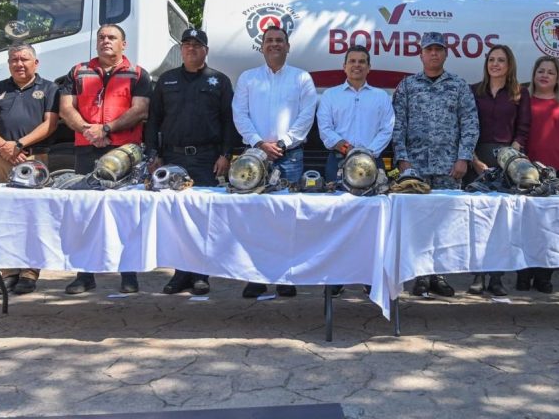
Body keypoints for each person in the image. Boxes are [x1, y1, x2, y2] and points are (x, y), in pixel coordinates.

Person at [145, 28, 238, 296]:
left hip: (207, 158)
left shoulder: (218, 81)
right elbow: (154, 120)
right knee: (176, 219)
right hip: (173, 158)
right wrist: (154, 153)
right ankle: (180, 273)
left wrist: (226, 154)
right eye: (186, 45)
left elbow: (228, 121)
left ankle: (200, 274)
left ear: (206, 51)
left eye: (197, 45)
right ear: (181, 49)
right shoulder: (166, 80)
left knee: (201, 217)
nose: (191, 49)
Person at [59, 24, 151, 295]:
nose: (105, 41)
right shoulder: (77, 72)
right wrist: (90, 130)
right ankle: (84, 274)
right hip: (86, 149)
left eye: (112, 38)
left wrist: (107, 129)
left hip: (123, 153)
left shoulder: (137, 74)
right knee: (84, 212)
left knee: (126, 213)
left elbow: (140, 109)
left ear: (124, 44)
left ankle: (129, 274)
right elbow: (66, 109)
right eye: (101, 37)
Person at [392, 31, 479, 298]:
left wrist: (464, 157)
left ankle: (439, 275)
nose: (433, 54)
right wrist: (403, 160)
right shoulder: (407, 86)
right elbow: (397, 126)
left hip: (448, 168)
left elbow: (470, 124)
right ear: (420, 54)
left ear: (445, 54)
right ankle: (419, 275)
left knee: (444, 224)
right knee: (417, 224)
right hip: (415, 169)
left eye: (438, 50)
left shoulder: (458, 85)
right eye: (429, 50)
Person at [232, 25, 317, 298]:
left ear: (288, 46)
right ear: (262, 46)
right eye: (269, 41)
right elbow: (240, 114)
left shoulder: (301, 78)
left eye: (280, 40)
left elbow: (306, 116)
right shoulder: (247, 78)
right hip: (255, 157)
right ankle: (256, 277)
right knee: (256, 218)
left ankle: (286, 276)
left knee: (287, 218)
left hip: (289, 156)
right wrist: (259, 143)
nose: (274, 45)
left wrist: (282, 144)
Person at [0, 43, 60, 296]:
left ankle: (29, 272)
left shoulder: (49, 88)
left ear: (36, 63)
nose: (19, 64)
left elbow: (51, 124)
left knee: (32, 217)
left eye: (24, 59)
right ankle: (8, 272)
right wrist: (4, 147)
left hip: (33, 159)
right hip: (0, 160)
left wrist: (20, 145)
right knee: (1, 216)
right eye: (14, 59)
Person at [317, 44, 395, 296]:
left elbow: (387, 128)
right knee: (337, 221)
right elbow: (325, 129)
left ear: (369, 67)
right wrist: (349, 150)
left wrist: (367, 154)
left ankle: (368, 276)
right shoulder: (330, 96)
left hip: (372, 165)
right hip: (338, 162)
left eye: (362, 61)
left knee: (371, 223)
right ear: (344, 66)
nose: (357, 65)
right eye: (352, 61)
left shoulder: (381, 97)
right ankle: (336, 276)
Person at [465, 44, 531, 297]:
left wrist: (508, 159)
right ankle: (478, 276)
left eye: (500, 60)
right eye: (491, 59)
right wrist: (473, 160)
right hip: (477, 159)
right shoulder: (474, 92)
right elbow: (466, 127)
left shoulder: (519, 94)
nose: (495, 64)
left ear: (509, 64)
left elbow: (523, 130)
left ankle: (496, 277)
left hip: (507, 161)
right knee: (478, 220)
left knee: (502, 223)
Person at [516, 55, 559, 294]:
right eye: (540, 70)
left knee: (552, 228)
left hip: (558, 173)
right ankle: (523, 274)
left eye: (550, 72)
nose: (544, 75)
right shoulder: (524, 101)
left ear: (557, 77)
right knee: (526, 226)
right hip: (527, 174)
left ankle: (544, 276)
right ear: (533, 74)